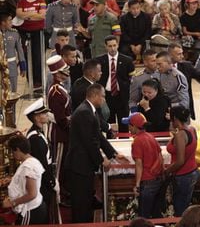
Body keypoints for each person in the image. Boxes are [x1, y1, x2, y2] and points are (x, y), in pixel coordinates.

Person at [65, 83, 128, 223]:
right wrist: (101, 160)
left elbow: (98, 135)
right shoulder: (84, 112)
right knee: (81, 203)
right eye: (103, 97)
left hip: (84, 164)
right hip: (79, 165)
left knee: (86, 200)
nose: (104, 100)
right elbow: (90, 141)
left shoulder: (89, 110)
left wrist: (113, 154)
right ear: (94, 96)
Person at [123, 112, 163, 218]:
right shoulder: (151, 137)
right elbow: (160, 156)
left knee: (143, 216)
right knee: (156, 215)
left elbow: (139, 164)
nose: (128, 128)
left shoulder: (137, 141)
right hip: (157, 180)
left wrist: (137, 185)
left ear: (135, 127)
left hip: (147, 183)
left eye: (129, 125)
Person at [2, 135, 48, 225]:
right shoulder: (32, 160)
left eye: (13, 151)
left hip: (30, 211)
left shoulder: (28, 167)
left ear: (18, 150)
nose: (12, 155)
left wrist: (12, 203)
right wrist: (12, 179)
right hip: (35, 208)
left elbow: (32, 194)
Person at [165, 106, 200, 216]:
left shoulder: (180, 135)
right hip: (192, 171)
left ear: (175, 118)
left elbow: (180, 161)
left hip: (183, 176)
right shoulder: (192, 130)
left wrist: (167, 171)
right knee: (185, 206)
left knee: (180, 210)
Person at [96, 35, 134, 133]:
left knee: (124, 123)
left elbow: (131, 79)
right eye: (110, 46)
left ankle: (124, 143)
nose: (112, 48)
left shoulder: (127, 60)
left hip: (122, 96)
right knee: (109, 123)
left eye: (114, 45)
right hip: (106, 96)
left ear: (117, 45)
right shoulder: (99, 61)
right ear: (106, 46)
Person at [24, 99, 56, 215]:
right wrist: (52, 182)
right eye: (43, 113)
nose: (47, 115)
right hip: (41, 182)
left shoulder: (39, 132)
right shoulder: (35, 138)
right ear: (37, 118)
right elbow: (41, 164)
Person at [46, 55, 71, 198]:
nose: (66, 73)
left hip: (62, 131)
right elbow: (61, 118)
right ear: (57, 74)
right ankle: (59, 195)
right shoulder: (56, 92)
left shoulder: (58, 88)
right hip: (60, 133)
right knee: (59, 165)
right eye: (63, 71)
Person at [16, 0, 46, 87]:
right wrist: (33, 14)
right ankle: (30, 81)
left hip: (37, 32)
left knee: (37, 56)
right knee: (26, 56)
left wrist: (27, 15)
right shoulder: (21, 1)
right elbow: (19, 14)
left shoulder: (41, 0)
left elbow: (42, 15)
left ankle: (38, 81)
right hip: (24, 32)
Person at [168, 43, 200, 120]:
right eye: (179, 54)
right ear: (170, 55)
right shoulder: (161, 69)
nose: (182, 56)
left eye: (182, 53)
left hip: (184, 109)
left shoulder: (187, 66)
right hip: (168, 109)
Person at [0, 14, 25, 92]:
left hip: (12, 67)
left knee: (13, 92)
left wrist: (23, 67)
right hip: (0, 67)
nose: (12, 22)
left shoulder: (14, 33)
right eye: (9, 20)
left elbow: (20, 51)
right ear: (3, 22)